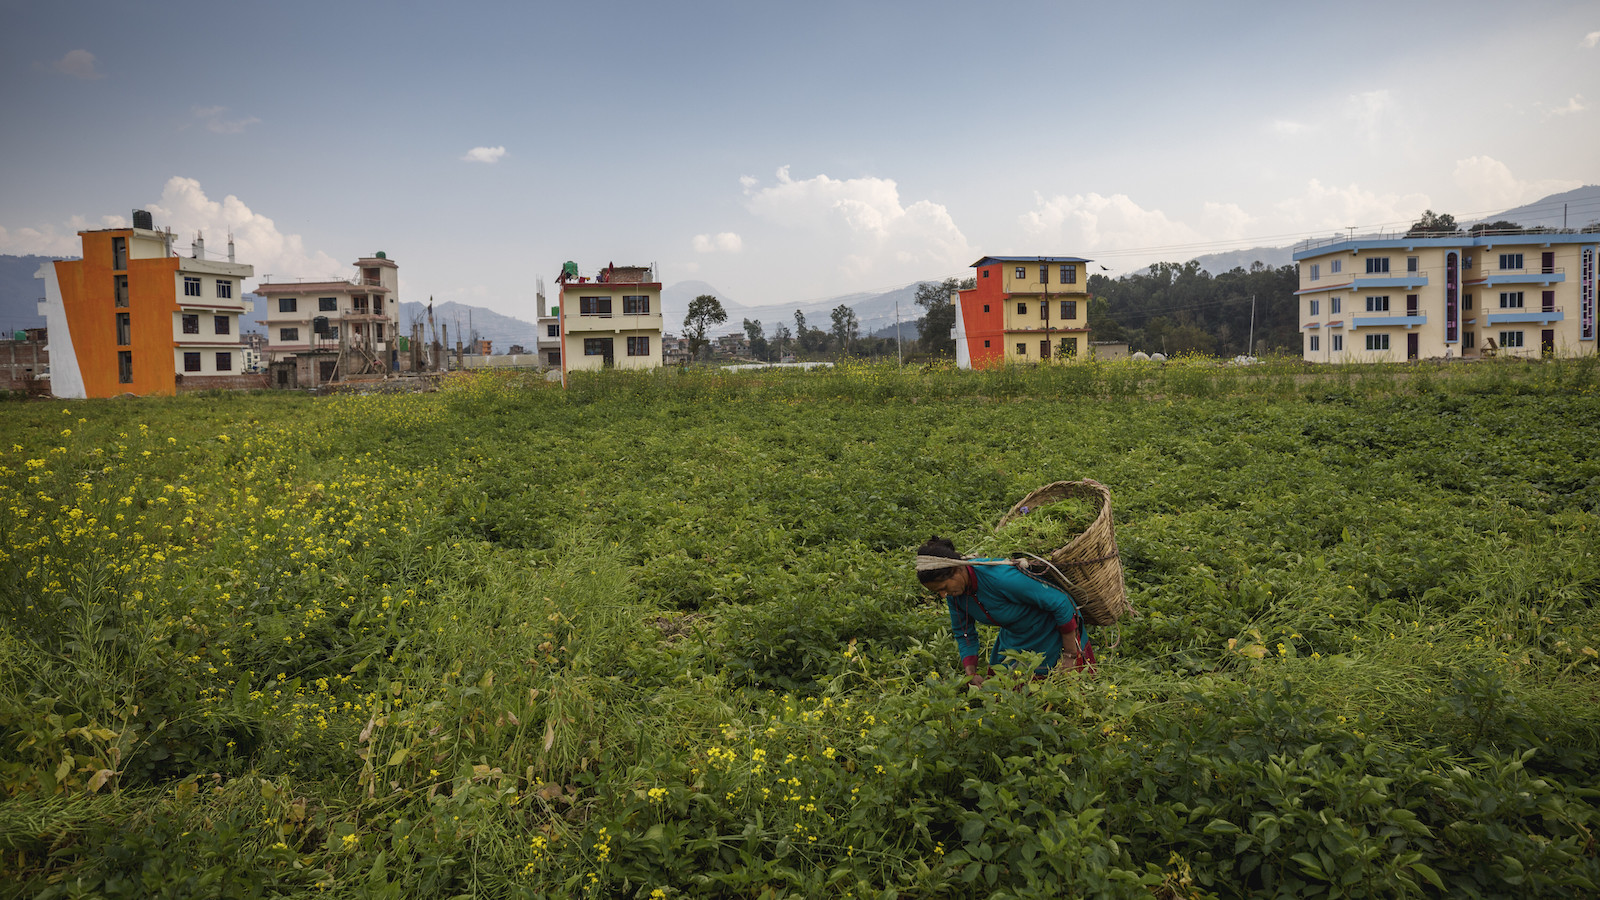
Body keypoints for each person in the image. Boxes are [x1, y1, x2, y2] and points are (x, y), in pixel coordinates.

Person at [916, 536, 1095, 684]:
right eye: (937, 592)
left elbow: (1061, 603)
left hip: (1052, 633)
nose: (943, 595)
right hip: (1015, 637)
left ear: (957, 570)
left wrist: (1070, 655)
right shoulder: (955, 595)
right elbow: (964, 632)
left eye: (944, 587)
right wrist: (970, 671)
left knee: (1062, 690)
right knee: (1008, 697)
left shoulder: (1001, 578)